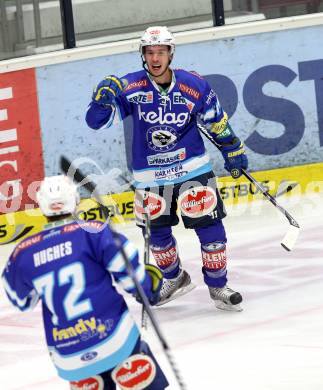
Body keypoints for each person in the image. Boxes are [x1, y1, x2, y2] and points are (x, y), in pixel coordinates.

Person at [86, 26, 248, 311]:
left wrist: (232, 148)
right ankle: (174, 279)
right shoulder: (130, 87)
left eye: (161, 51)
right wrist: (100, 100)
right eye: (150, 52)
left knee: (211, 231)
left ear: (170, 53)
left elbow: (216, 120)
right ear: (143, 55)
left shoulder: (193, 84)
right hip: (150, 177)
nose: (155, 57)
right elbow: (96, 122)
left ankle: (218, 286)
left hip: (193, 170)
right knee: (158, 240)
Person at [1, 175, 169, 390]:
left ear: (42, 205)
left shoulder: (23, 251)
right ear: (76, 200)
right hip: (116, 339)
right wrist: (148, 289)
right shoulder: (94, 231)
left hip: (68, 353)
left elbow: (20, 301)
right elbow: (129, 273)